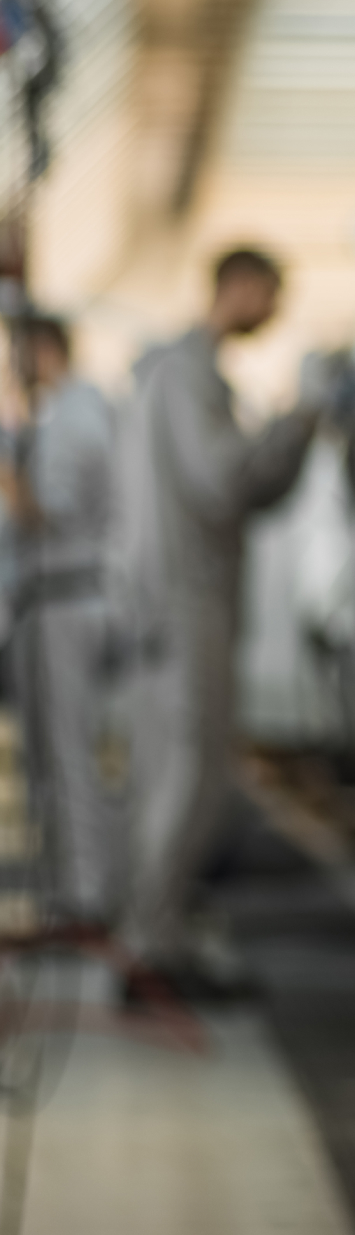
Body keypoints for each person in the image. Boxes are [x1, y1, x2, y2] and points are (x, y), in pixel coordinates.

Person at [114, 247, 322, 1000]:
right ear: (238, 286)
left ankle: (157, 936)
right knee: (188, 776)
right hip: (184, 598)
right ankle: (152, 949)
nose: (274, 312)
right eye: (271, 294)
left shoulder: (176, 371)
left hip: (178, 598)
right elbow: (222, 480)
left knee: (178, 775)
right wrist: (297, 422)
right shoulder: (188, 372)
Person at [0, 314, 117, 933]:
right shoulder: (58, 415)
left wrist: (7, 476)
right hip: (48, 602)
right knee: (50, 757)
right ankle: (70, 892)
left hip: (66, 601)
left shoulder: (74, 420)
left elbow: (49, 513)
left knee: (69, 756)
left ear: (42, 350)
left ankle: (85, 898)